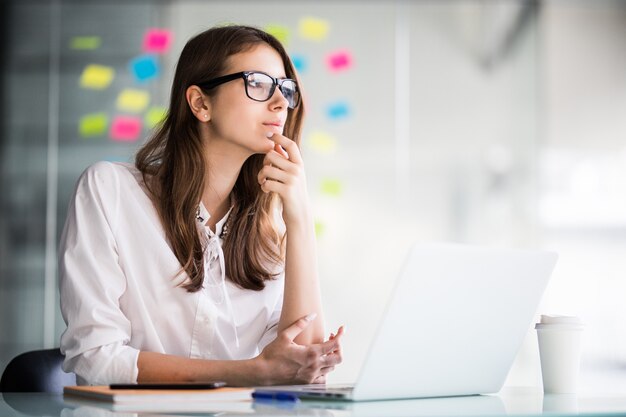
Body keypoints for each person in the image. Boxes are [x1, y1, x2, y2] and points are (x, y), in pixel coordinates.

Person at [59, 25, 344, 386]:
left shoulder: (271, 228)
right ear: (200, 103)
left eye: (285, 89)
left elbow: (303, 366)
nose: (279, 103)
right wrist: (250, 372)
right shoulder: (109, 191)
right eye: (257, 83)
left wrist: (299, 217)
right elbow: (94, 357)